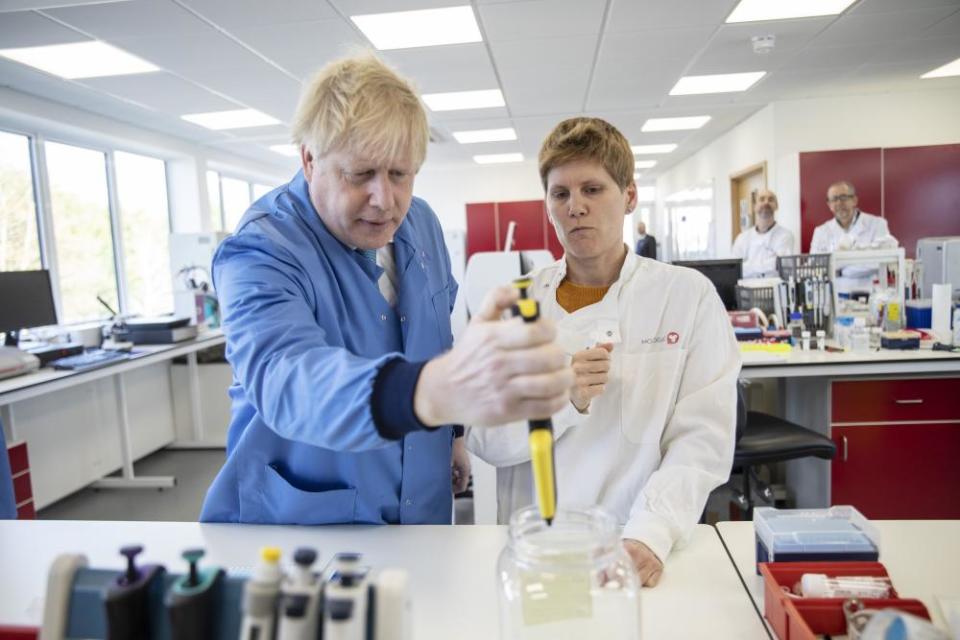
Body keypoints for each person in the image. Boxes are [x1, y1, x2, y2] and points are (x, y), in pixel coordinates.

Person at [200, 54, 573, 525]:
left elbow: (435, 340)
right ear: (309, 159)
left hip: (422, 509)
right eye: (360, 175)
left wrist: (453, 433)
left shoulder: (422, 225)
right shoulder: (261, 249)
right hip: (305, 529)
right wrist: (434, 394)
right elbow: (286, 377)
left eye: (401, 174)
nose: (384, 199)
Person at [467, 117, 740, 587]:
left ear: (629, 196)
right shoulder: (515, 305)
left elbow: (702, 440)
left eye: (593, 189)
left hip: (638, 541)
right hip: (538, 546)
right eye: (561, 194)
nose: (576, 207)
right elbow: (484, 437)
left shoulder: (685, 296)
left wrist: (650, 534)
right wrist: (561, 398)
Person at [810, 181, 898, 253]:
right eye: (834, 199)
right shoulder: (821, 231)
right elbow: (815, 267)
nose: (839, 203)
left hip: (871, 275)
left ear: (854, 200)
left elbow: (882, 259)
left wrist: (842, 268)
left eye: (843, 197)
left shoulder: (877, 224)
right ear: (829, 205)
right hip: (832, 275)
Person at [731, 188, 794, 278]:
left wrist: (747, 265)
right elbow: (735, 269)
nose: (766, 203)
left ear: (776, 206)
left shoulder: (785, 236)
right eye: (762, 199)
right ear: (754, 206)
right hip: (746, 290)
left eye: (771, 199)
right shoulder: (742, 238)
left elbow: (781, 264)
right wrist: (771, 263)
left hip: (774, 290)